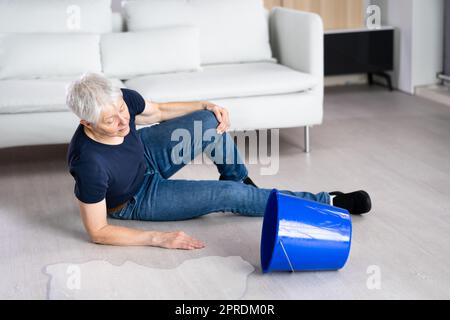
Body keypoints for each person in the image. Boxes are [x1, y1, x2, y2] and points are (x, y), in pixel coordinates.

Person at [66, 73, 372, 250]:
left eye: (122, 110)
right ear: (87, 123)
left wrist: (205, 105)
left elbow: (156, 111)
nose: (123, 121)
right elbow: (98, 230)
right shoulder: (89, 163)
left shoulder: (121, 100)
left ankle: (240, 180)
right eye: (110, 120)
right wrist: (157, 238)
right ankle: (327, 201)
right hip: (136, 197)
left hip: (145, 153)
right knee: (228, 197)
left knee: (207, 121)